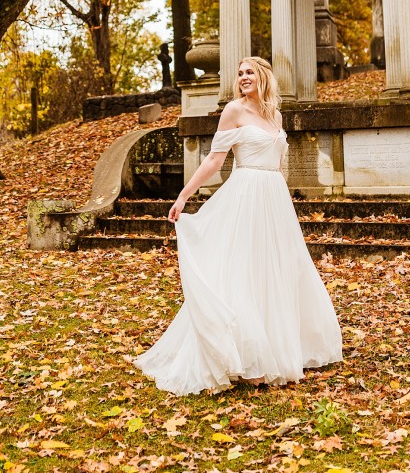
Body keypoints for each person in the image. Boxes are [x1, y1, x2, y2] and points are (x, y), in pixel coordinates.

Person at [134, 57, 342, 394]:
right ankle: (246, 361)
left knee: (277, 271)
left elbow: (278, 165)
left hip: (274, 199)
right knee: (242, 272)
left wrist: (285, 204)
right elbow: (215, 159)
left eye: (249, 72)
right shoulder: (233, 110)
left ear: (263, 76)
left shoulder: (274, 115)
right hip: (245, 195)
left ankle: (279, 349)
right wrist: (184, 196)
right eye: (240, 72)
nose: (243, 77)